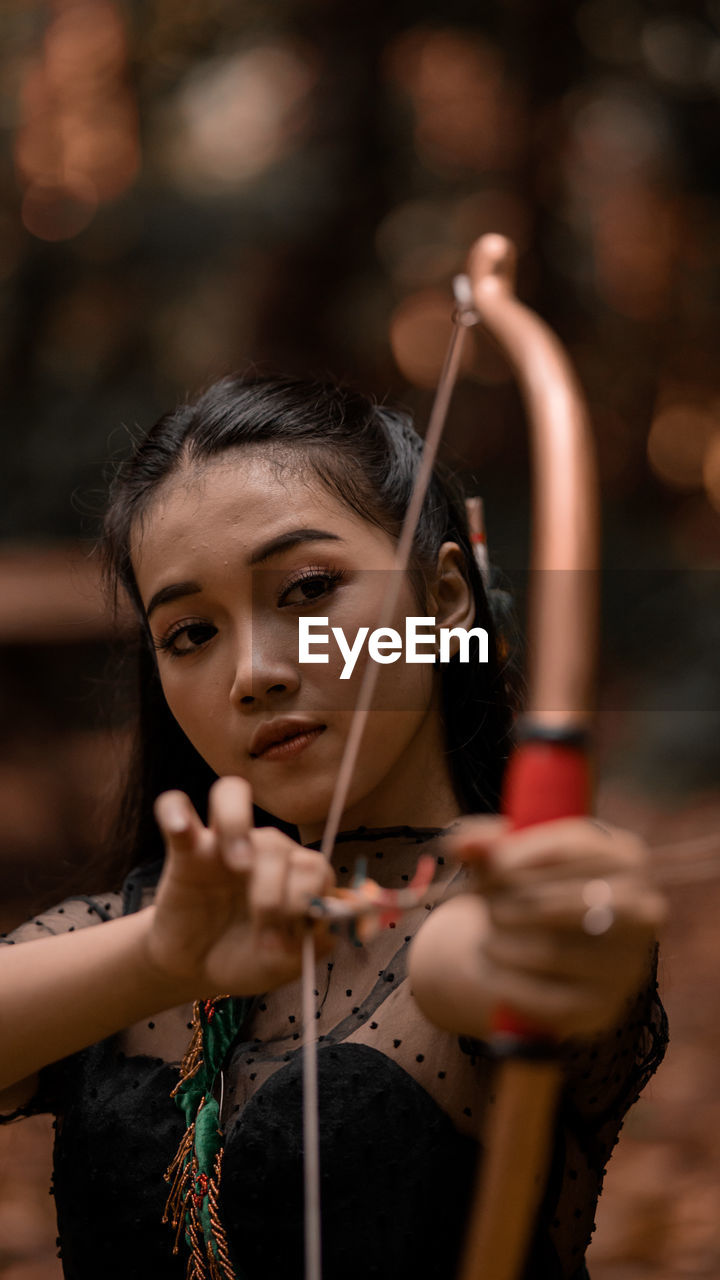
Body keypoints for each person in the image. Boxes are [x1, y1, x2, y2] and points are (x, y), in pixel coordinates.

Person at [0, 374, 667, 1280]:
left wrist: (573, 918)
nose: (256, 672)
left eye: (309, 588)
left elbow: (486, 959)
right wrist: (156, 959)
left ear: (444, 600)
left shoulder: (472, 915)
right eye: (191, 633)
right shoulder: (138, 930)